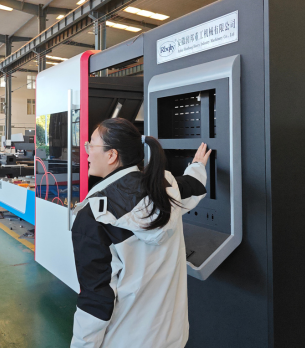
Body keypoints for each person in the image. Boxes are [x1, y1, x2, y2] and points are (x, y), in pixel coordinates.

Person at [71, 118, 211, 348]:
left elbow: (96, 300)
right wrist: (198, 166)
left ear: (112, 155)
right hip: (172, 335)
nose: (85, 152)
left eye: (90, 145)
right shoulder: (165, 188)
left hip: (125, 340)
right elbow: (193, 186)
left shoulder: (94, 215)